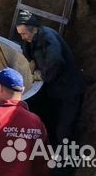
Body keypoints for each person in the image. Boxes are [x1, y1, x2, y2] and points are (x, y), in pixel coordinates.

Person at [16, 9, 85, 144]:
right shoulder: (32, 38)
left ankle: (66, 162)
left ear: (33, 29)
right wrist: (31, 61)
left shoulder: (48, 37)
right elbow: (27, 49)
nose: (22, 37)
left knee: (64, 130)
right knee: (50, 124)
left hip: (69, 91)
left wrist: (42, 75)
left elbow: (56, 61)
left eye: (23, 34)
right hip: (55, 90)